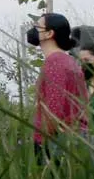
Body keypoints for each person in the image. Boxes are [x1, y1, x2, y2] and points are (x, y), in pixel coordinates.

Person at [31, 12, 89, 160]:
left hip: (56, 143)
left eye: (37, 27)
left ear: (49, 33)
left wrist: (40, 140)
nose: (33, 30)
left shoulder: (55, 63)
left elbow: (53, 110)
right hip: (75, 138)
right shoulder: (70, 62)